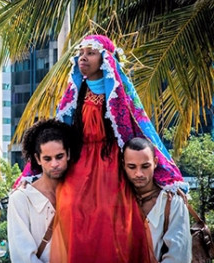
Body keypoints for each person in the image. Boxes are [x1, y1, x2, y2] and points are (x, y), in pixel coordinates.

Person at [42, 34, 188, 263]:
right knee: (70, 204)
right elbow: (59, 132)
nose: (83, 58)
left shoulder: (118, 93)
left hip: (110, 160)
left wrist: (167, 176)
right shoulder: (76, 92)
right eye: (81, 54)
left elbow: (140, 128)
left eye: (90, 53)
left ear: (105, 59)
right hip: (80, 160)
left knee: (110, 212)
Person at [7, 119, 78, 263]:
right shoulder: (20, 199)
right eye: (47, 158)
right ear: (37, 159)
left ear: (68, 154)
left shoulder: (78, 194)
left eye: (59, 156)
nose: (54, 164)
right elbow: (22, 257)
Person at [123, 137, 192, 262]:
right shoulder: (119, 201)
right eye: (132, 167)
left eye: (145, 166)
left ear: (155, 162)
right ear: (123, 165)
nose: (139, 173)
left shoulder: (172, 202)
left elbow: (178, 256)